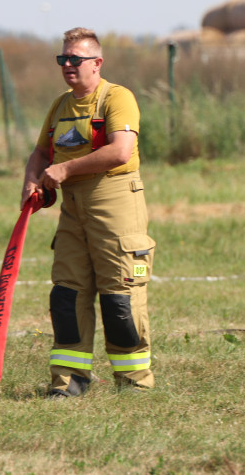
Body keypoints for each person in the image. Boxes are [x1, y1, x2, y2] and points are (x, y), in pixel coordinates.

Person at [21, 27, 156, 398]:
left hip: (116, 203)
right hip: (73, 208)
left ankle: (133, 383)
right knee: (67, 293)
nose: (67, 65)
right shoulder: (61, 104)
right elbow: (42, 152)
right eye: (62, 59)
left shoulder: (117, 98)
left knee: (121, 294)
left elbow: (120, 151)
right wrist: (32, 181)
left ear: (97, 63)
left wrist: (63, 171)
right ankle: (68, 382)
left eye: (75, 59)